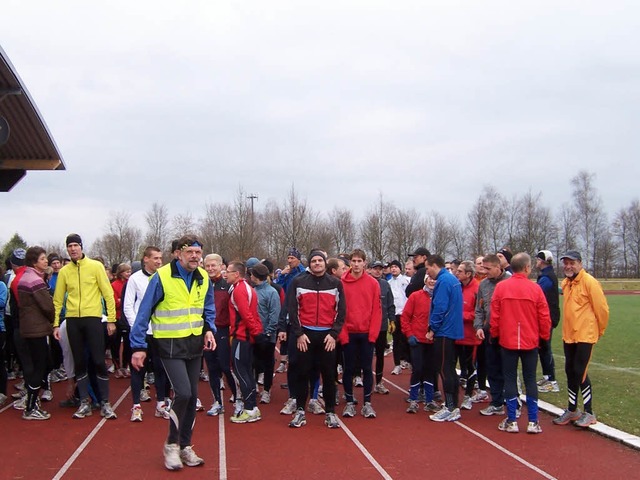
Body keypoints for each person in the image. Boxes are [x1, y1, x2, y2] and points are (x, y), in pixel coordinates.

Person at [131, 235, 216, 470]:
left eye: (198, 252)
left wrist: (209, 330)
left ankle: (185, 446)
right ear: (178, 254)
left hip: (194, 343)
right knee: (183, 393)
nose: (195, 256)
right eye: (190, 252)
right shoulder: (162, 277)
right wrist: (138, 346)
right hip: (169, 344)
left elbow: (207, 308)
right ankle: (171, 445)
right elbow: (143, 312)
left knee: (191, 397)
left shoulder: (204, 278)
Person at [52, 234, 118, 420]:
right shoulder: (65, 271)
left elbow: (108, 294)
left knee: (98, 360)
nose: (73, 249)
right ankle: (84, 403)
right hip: (73, 320)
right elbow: (57, 300)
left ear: (81, 247)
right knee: (79, 361)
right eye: (69, 246)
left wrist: (111, 319)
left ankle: (105, 402)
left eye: (75, 245)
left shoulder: (95, 267)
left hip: (93, 319)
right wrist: (55, 324)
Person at [490, 253, 551, 434]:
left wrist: (495, 335)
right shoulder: (535, 289)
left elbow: (495, 316)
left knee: (509, 378)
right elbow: (544, 316)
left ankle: (512, 420)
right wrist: (544, 337)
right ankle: (533, 421)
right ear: (526, 268)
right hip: (530, 341)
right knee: (530, 378)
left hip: (507, 341)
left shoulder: (501, 288)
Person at [287, 250, 346, 428]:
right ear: (309, 264)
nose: (317, 263)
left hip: (327, 336)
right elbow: (292, 309)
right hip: (305, 336)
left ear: (325, 263)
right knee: (302, 374)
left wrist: (334, 334)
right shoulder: (298, 281)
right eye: (314, 261)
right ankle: (299, 412)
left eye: (320, 260)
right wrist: (299, 334)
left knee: (328, 376)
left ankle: (330, 412)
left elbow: (341, 311)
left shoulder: (336, 283)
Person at [553, 250, 609, 428]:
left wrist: (598, 331)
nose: (568, 266)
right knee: (570, 371)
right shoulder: (566, 283)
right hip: (569, 335)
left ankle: (589, 412)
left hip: (585, 335)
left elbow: (602, 310)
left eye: (572, 263)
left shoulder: (590, 282)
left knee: (580, 372)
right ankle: (572, 409)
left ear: (580, 264)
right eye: (566, 263)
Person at [123, 246, 170, 422]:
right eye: (155, 258)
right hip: (141, 333)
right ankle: (136, 407)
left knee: (161, 369)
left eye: (160, 258)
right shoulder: (134, 279)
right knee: (138, 370)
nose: (159, 261)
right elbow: (128, 306)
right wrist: (137, 328)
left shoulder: (165, 277)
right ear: (145, 259)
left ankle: (161, 404)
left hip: (160, 332)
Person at [340, 249, 382, 418]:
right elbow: (339, 311)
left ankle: (367, 403)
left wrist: (372, 335)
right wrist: (342, 335)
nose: (356, 264)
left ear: (365, 263)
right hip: (348, 333)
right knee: (348, 369)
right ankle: (349, 402)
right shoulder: (341, 283)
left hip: (366, 334)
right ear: (350, 262)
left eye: (359, 261)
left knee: (366, 368)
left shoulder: (373, 284)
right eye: (354, 261)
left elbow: (377, 311)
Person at [17, 246, 55, 420]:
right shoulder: (35, 280)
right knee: (40, 366)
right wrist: (52, 317)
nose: (46, 261)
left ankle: (31, 402)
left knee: (38, 364)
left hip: (28, 327)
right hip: (37, 328)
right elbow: (47, 306)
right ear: (34, 262)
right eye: (42, 259)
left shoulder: (25, 277)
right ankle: (31, 407)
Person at [425, 255, 463, 422]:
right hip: (453, 330)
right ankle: (453, 404)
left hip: (444, 331)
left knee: (444, 368)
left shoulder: (443, 281)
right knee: (450, 368)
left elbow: (440, 307)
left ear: (434, 265)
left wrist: (432, 328)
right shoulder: (452, 279)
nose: (427, 272)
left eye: (427, 268)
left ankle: (450, 407)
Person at [227, 261, 264, 424]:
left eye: (228, 271)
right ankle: (252, 408)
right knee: (246, 372)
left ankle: (249, 409)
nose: (225, 274)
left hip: (241, 337)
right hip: (246, 336)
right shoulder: (246, 288)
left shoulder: (240, 290)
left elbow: (247, 314)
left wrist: (255, 332)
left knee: (242, 372)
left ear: (237, 274)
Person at [474, 254, 511, 414]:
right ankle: (496, 403)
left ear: (498, 267)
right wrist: (478, 327)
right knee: (492, 367)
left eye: (488, 268)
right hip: (489, 332)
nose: (485, 271)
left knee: (508, 369)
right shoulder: (484, 285)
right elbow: (479, 308)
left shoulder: (509, 282)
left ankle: (512, 402)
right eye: (483, 268)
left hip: (507, 331)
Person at [202, 253, 237, 416]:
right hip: (206, 332)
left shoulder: (228, 286)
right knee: (212, 368)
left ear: (221, 266)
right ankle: (217, 401)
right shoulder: (201, 285)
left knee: (226, 367)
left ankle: (237, 399)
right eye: (207, 265)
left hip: (223, 331)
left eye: (213, 265)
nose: (210, 268)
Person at [401, 274, 439, 414]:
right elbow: (405, 317)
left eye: (434, 279)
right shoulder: (415, 296)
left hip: (433, 340)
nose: (431, 281)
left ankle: (429, 401)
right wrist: (409, 334)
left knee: (430, 370)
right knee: (417, 369)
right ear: (425, 280)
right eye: (429, 278)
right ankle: (413, 400)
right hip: (417, 340)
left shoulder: (439, 297)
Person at [251, 263, 280, 405]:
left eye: (252, 274)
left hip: (267, 336)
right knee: (254, 362)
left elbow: (274, 314)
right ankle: (255, 385)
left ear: (256, 276)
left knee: (268, 364)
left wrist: (268, 332)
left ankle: (267, 390)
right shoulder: (252, 290)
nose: (250, 277)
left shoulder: (271, 292)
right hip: (254, 334)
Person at [454, 261, 480, 410]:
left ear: (468, 274)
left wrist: (460, 315)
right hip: (455, 335)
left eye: (460, 271)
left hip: (471, 337)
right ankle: (453, 397)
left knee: (470, 367)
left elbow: (479, 314)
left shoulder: (477, 289)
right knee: (452, 366)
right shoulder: (457, 287)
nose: (457, 273)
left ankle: (468, 396)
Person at [535, 250, 561, 393]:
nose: (536, 262)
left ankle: (552, 381)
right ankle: (547, 376)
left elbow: (536, 293)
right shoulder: (548, 276)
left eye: (538, 259)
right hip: (549, 316)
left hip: (547, 317)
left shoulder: (546, 277)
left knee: (545, 348)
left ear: (543, 261)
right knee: (543, 348)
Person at [368, 260, 395, 394]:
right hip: (367, 326)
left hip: (382, 325)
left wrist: (392, 320)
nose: (378, 271)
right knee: (365, 355)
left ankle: (379, 381)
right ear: (370, 269)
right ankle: (361, 378)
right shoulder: (365, 283)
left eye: (380, 268)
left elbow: (390, 304)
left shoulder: (385, 285)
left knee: (379, 355)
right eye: (375, 268)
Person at [387, 259, 410, 376]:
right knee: (396, 340)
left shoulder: (407, 281)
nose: (393, 269)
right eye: (392, 267)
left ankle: (407, 360)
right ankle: (397, 365)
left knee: (406, 338)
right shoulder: (389, 283)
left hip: (405, 315)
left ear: (400, 268)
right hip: (394, 315)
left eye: (396, 267)